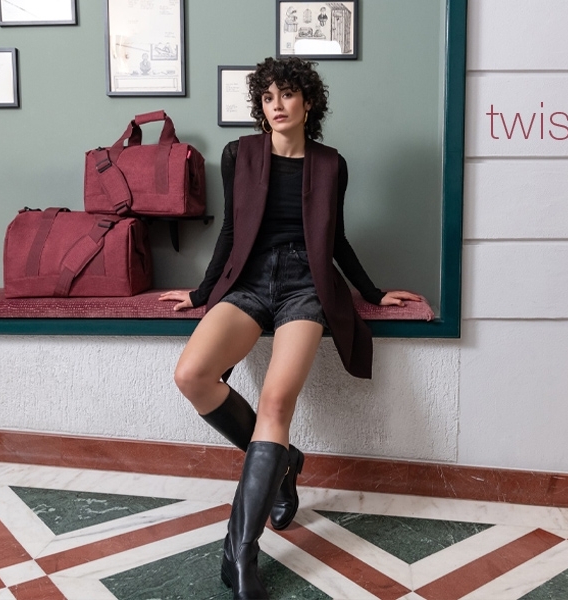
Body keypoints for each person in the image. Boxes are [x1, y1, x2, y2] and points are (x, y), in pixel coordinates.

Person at [159, 56, 422, 598]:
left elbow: (337, 238)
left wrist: (371, 292)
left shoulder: (331, 164)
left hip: (306, 286)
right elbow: (231, 231)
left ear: (308, 102)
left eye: (287, 96)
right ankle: (286, 463)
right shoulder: (239, 155)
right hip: (249, 283)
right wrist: (204, 293)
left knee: (276, 405)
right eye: (267, 98)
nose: (276, 106)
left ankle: (241, 554)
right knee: (192, 375)